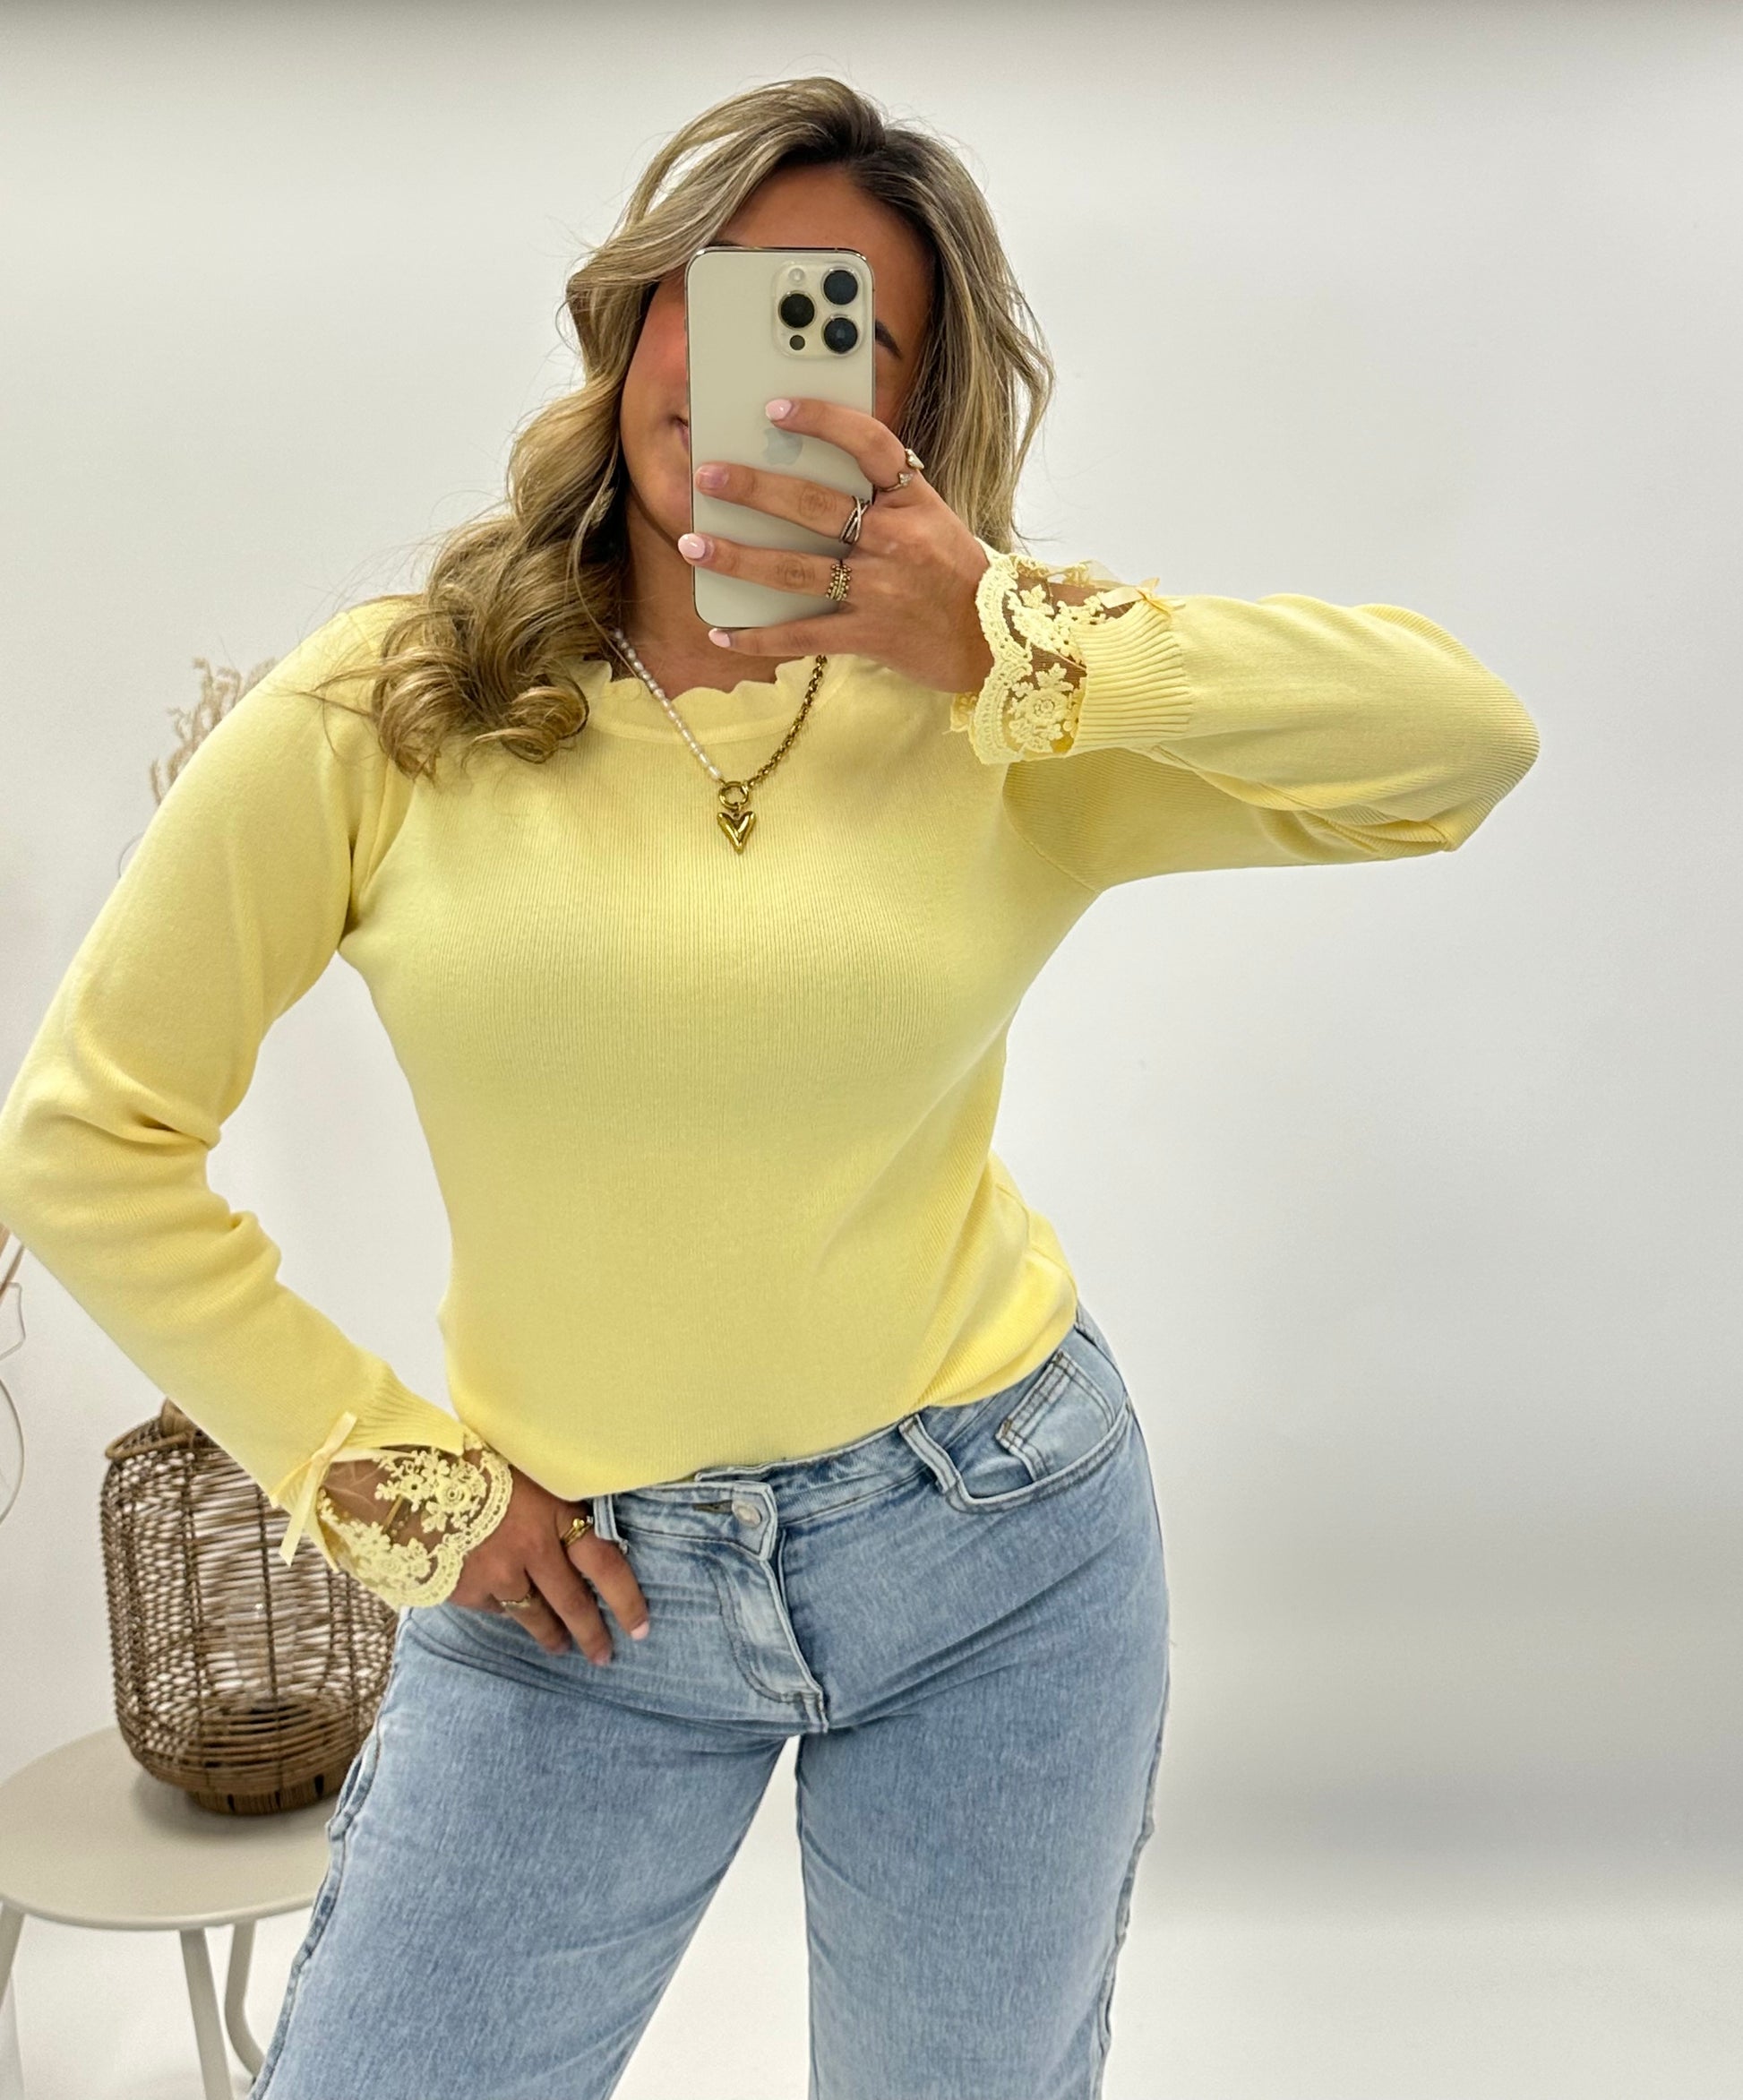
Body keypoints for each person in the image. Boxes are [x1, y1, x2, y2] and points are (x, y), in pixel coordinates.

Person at [0, 74, 1539, 2100]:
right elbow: (85, 1140)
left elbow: (1458, 747)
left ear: (911, 410)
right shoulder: (395, 706)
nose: (746, 367)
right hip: (570, 1604)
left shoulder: (1005, 715)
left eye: (838, 330)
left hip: (996, 1548)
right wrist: (396, 1484)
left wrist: (1015, 634)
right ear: (636, 317)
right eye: (716, 295)